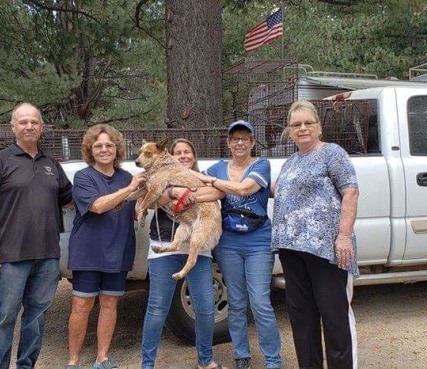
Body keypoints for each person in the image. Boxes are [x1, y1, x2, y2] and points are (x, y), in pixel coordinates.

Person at [0, 102, 73, 369]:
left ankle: (26, 365)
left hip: (47, 257)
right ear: (13, 127)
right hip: (10, 257)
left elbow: (73, 199)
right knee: (5, 316)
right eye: (23, 122)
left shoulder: (52, 164)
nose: (29, 126)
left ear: (41, 127)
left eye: (34, 122)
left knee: (36, 317)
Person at [272, 100, 360, 369]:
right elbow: (277, 191)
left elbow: (351, 192)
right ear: (289, 131)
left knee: (333, 318)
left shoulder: (332, 154)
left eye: (308, 122)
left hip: (326, 250)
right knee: (302, 318)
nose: (302, 128)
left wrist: (343, 236)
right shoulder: (290, 162)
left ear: (319, 127)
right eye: (296, 124)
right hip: (292, 250)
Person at [195, 121, 283, 369]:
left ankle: (273, 358)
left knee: (260, 302)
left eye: (245, 138)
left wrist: (214, 183)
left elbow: (244, 190)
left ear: (253, 142)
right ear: (228, 143)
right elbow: (200, 188)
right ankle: (241, 354)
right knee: (235, 301)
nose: (240, 143)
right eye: (235, 139)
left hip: (258, 241)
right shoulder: (217, 168)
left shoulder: (261, 165)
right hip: (228, 242)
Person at [141, 138, 227, 369]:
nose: (183, 156)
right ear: (170, 155)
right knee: (158, 308)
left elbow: (218, 192)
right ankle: (147, 364)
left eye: (187, 152)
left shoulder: (204, 176)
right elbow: (152, 201)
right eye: (178, 152)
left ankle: (205, 360)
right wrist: (172, 191)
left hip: (198, 249)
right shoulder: (161, 176)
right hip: (163, 245)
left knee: (206, 307)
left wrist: (190, 193)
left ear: (194, 156)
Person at [66, 124, 146, 369]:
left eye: (109, 145)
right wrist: (130, 189)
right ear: (91, 150)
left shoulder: (126, 176)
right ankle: (73, 361)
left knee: (110, 303)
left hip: (119, 250)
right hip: (88, 252)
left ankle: (102, 357)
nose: (104, 150)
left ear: (117, 148)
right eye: (98, 145)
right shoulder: (84, 177)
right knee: (82, 305)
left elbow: (139, 209)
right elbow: (98, 206)